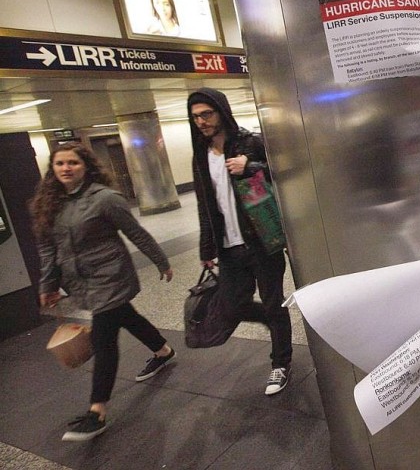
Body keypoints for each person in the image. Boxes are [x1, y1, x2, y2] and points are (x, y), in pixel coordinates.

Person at [31, 142, 175, 442]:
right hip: (80, 281)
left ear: (86, 166)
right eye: (60, 164)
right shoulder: (49, 203)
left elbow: (136, 233)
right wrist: (47, 285)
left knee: (103, 337)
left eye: (73, 163)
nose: (66, 168)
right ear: (52, 168)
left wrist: (161, 261)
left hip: (111, 275)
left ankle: (97, 411)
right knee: (126, 316)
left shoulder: (105, 198)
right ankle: (163, 350)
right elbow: (48, 250)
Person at [187, 88, 293, 395]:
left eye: (207, 114)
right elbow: (204, 204)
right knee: (232, 306)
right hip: (228, 247)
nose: (202, 121)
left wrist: (251, 166)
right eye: (196, 117)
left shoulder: (250, 143)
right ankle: (275, 321)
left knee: (273, 301)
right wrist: (207, 248)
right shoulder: (201, 156)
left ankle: (281, 363)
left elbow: (286, 173)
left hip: (261, 241)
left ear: (221, 111)